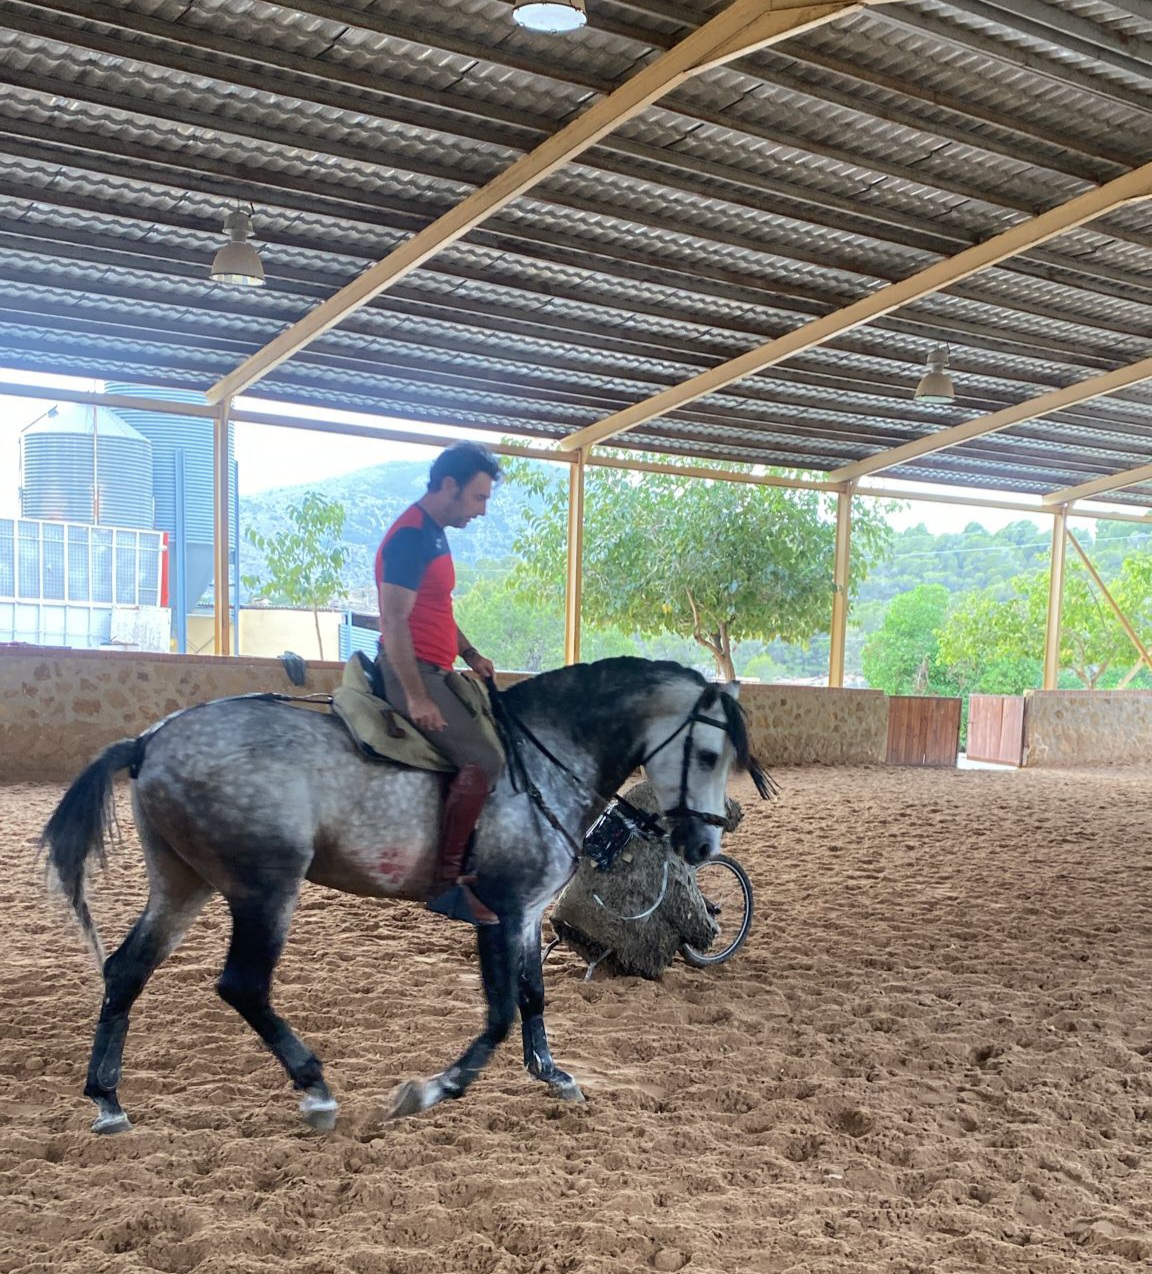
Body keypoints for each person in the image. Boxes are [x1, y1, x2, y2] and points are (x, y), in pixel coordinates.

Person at [375, 442, 504, 926]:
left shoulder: (434, 534)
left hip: (439, 665)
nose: (481, 510)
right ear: (449, 486)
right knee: (484, 759)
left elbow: (438, 607)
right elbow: (394, 618)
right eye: (477, 498)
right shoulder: (411, 536)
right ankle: (446, 884)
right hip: (410, 669)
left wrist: (468, 652)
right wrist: (416, 695)